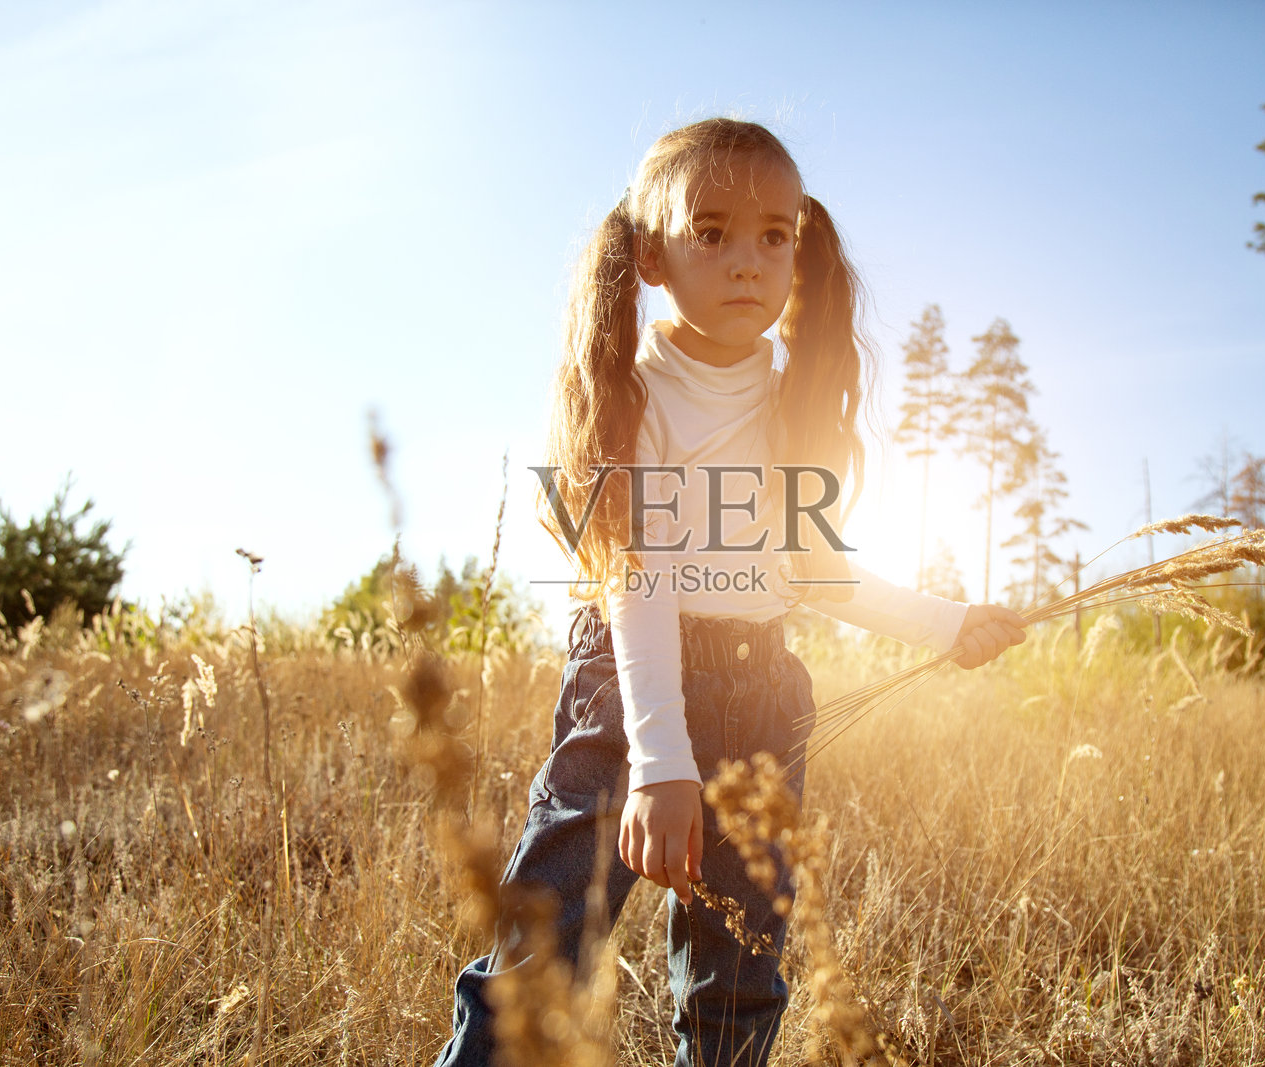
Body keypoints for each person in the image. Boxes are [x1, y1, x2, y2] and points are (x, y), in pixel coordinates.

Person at [434, 117, 1026, 1067]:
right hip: (629, 699)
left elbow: (811, 570)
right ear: (652, 255)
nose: (747, 260)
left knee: (739, 980)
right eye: (710, 233)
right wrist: (660, 761)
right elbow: (639, 580)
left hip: (762, 706)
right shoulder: (635, 394)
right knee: (540, 954)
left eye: (773, 235)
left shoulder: (790, 400)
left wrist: (949, 622)